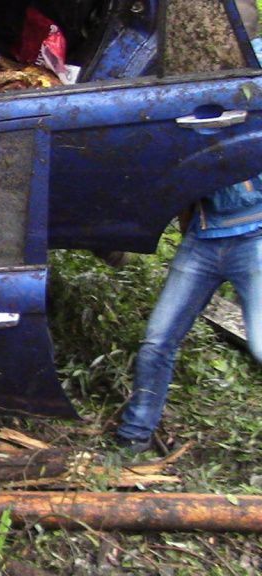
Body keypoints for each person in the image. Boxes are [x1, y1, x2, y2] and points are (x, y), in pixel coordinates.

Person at [116, 1, 261, 454]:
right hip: (201, 241)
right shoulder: (185, 84)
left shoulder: (252, 67)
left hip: (253, 235)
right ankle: (134, 438)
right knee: (157, 341)